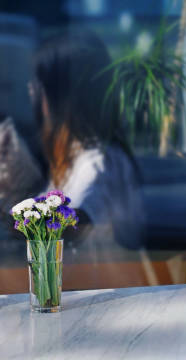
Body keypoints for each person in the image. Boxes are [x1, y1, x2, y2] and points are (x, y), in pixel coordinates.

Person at [29, 29, 144, 253]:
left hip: (99, 283)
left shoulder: (97, 163)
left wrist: (12, 217)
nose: (31, 92)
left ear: (58, 98)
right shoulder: (76, 154)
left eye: (38, 86)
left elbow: (71, 227)